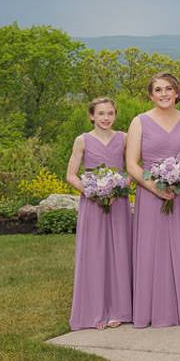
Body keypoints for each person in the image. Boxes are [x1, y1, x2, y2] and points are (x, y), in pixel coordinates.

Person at [126, 73, 180, 328]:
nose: (164, 94)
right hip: (150, 193)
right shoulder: (140, 122)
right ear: (151, 95)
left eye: (169, 89)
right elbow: (132, 164)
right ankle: (150, 310)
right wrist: (153, 187)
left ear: (177, 92)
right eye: (158, 90)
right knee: (152, 249)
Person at [66, 97, 132, 330]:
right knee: (95, 254)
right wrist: (93, 191)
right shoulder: (82, 140)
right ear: (91, 116)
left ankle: (119, 309)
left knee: (119, 253)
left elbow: (132, 169)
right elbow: (71, 175)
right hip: (93, 205)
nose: (106, 118)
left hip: (118, 203)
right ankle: (95, 312)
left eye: (110, 113)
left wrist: (119, 186)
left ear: (115, 115)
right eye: (101, 114)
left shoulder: (124, 138)